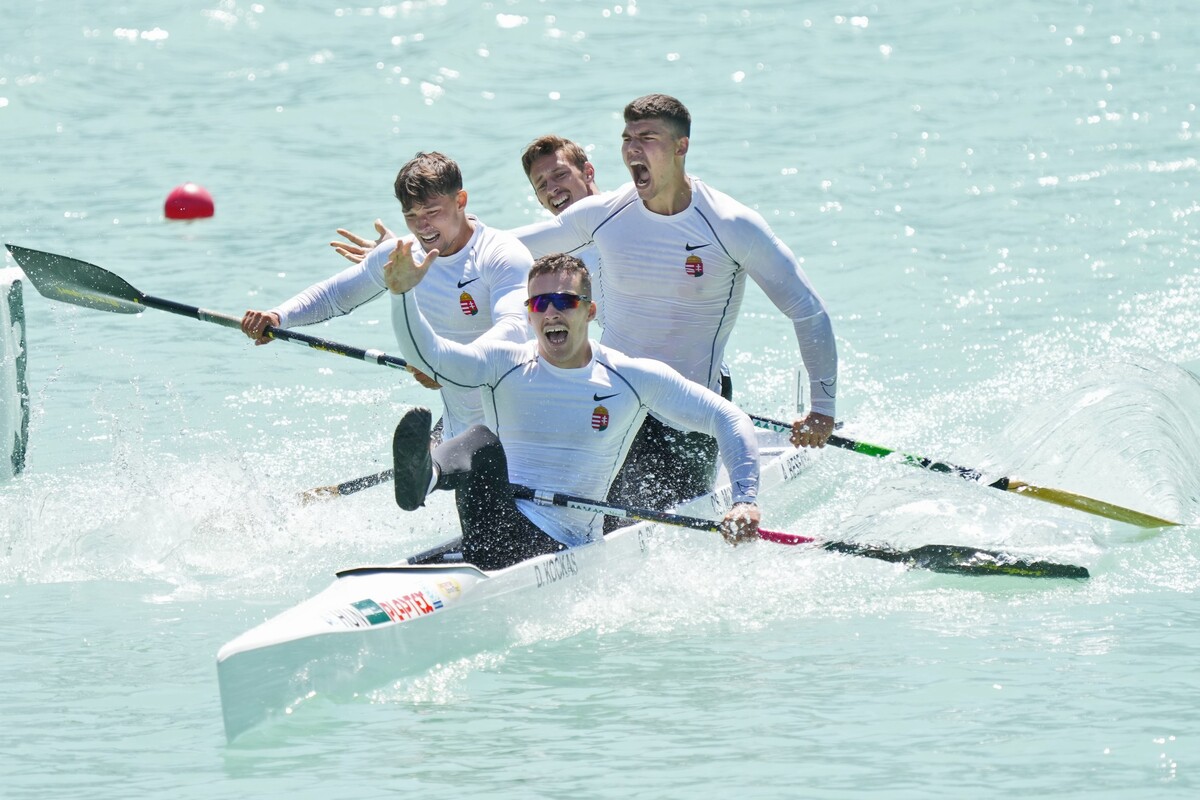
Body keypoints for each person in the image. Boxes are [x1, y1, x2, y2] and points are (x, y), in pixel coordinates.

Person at [509, 94, 838, 513]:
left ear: (681, 146)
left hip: (687, 411)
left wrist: (822, 409)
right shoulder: (604, 214)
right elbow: (500, 249)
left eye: (647, 137)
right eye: (627, 138)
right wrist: (414, 251)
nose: (632, 149)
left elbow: (807, 309)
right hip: (612, 399)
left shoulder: (730, 224)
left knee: (647, 520)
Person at [384, 250, 762, 571]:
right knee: (479, 440)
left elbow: (727, 417)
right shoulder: (502, 363)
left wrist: (744, 499)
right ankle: (425, 476)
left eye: (564, 301)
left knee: (482, 440)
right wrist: (402, 295)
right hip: (493, 524)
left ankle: (429, 476)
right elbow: (431, 357)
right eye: (538, 304)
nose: (550, 312)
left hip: (561, 543)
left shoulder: (631, 377)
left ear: (590, 311)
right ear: (529, 314)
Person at [241, 151, 531, 440]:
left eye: (432, 212)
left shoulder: (501, 254)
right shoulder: (401, 257)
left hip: (522, 424)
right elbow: (334, 296)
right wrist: (280, 316)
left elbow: (514, 330)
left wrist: (447, 368)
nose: (422, 227)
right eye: (411, 216)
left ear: (460, 201)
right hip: (461, 427)